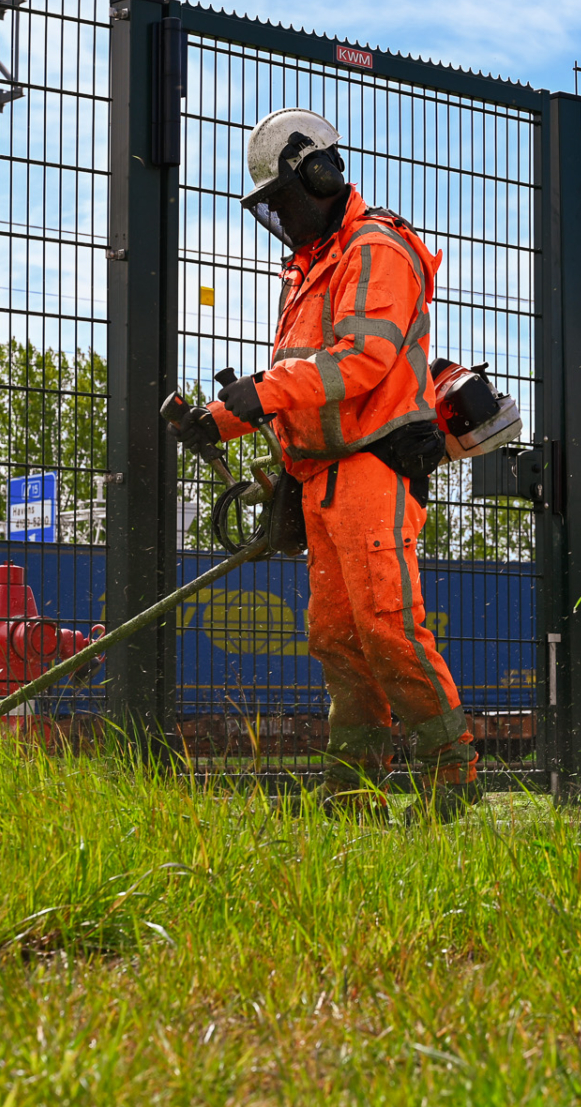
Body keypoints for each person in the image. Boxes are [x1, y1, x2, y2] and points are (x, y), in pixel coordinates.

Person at [172, 108, 477, 820]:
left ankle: (450, 785)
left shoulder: (377, 249)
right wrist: (239, 432)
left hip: (373, 466)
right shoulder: (307, 270)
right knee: (336, 637)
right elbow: (301, 383)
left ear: (321, 172)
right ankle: (353, 792)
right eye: (268, 206)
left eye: (282, 198)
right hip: (318, 477)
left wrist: (254, 398)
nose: (278, 215)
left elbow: (361, 363)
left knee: (387, 624)